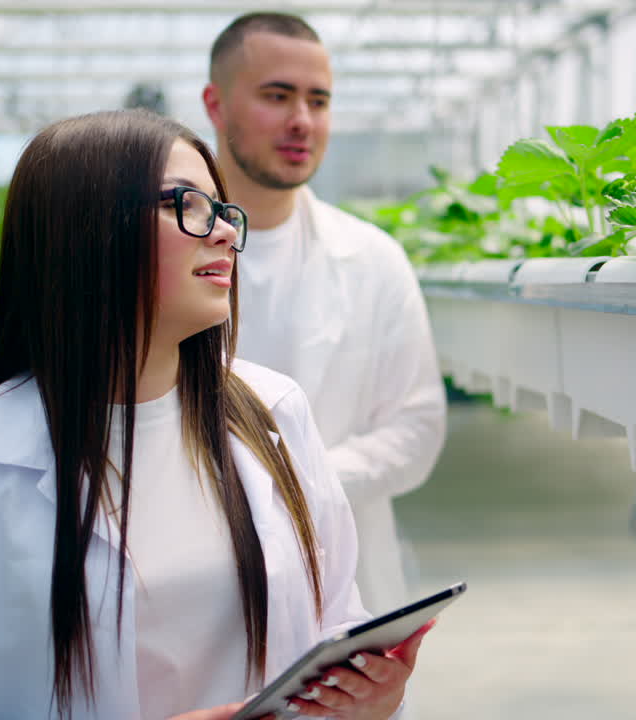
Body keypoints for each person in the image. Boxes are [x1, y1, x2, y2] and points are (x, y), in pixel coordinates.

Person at [0, 109, 431, 720]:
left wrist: (371, 698)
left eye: (222, 210)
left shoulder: (275, 413)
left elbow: (335, 619)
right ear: (84, 230)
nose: (223, 233)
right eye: (186, 204)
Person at [202, 13, 447, 616]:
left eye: (319, 100)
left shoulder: (372, 259)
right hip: (196, 568)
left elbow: (417, 429)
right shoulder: (158, 252)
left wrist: (289, 483)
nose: (301, 121)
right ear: (216, 104)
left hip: (342, 575)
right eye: (277, 96)